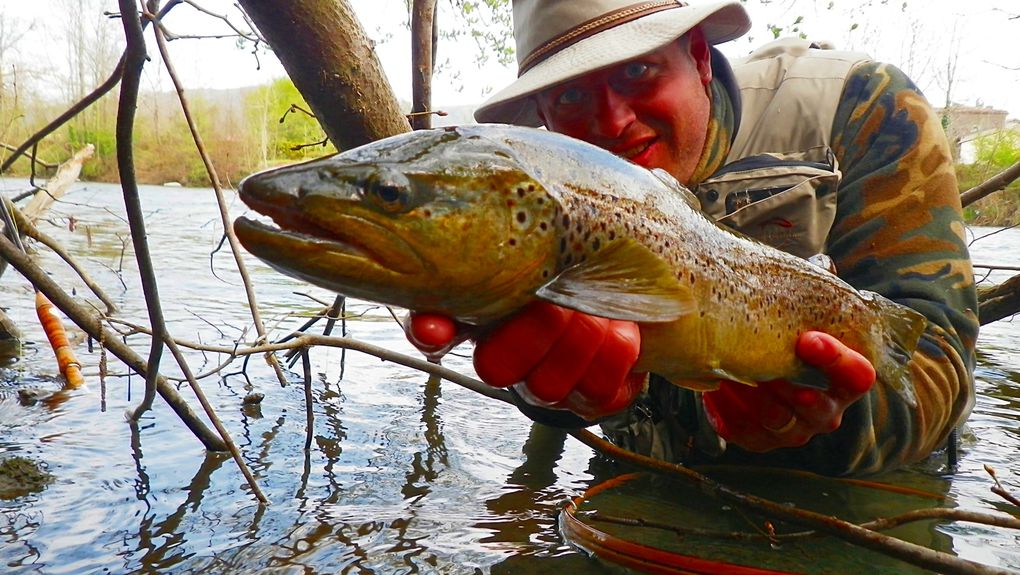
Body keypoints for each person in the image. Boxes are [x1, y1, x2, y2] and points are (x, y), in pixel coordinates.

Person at [406, 0, 979, 476]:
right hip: (652, 482)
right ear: (544, 117)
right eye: (571, 97)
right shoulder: (536, 199)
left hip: (871, 493)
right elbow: (558, 380)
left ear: (700, 57)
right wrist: (556, 397)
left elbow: (934, 367)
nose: (610, 122)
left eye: (636, 71)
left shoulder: (858, 106)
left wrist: (821, 411)